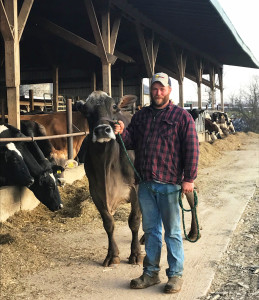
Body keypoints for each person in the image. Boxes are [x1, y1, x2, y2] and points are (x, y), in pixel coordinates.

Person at [114, 72, 199, 294]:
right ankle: (150, 273)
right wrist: (122, 133)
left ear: (169, 90)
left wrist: (189, 178)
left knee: (171, 232)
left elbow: (191, 148)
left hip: (170, 184)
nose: (157, 92)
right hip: (146, 184)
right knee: (151, 230)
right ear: (150, 91)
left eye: (162, 88)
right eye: (154, 88)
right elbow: (131, 140)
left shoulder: (182, 117)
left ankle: (175, 275)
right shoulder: (142, 116)